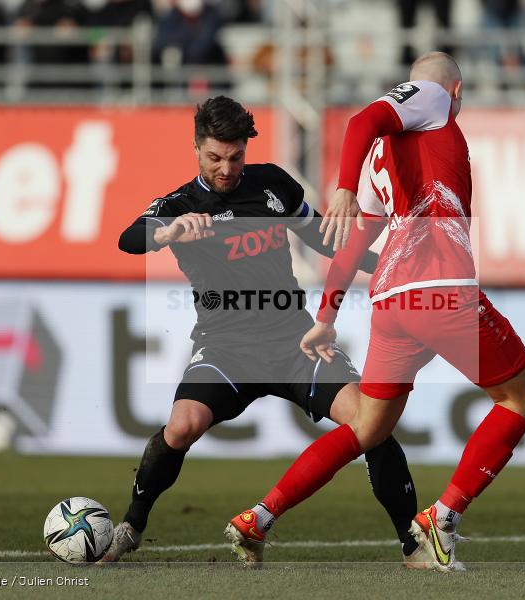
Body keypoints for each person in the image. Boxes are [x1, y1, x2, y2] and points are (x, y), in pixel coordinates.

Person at [226, 53, 525, 572]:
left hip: (391, 301)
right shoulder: (433, 97)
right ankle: (441, 520)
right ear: (457, 90)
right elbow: (361, 118)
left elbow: (352, 247)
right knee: (522, 397)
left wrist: (326, 316)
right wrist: (344, 186)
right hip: (439, 288)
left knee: (366, 428)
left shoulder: (383, 156)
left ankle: (259, 517)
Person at [101, 96, 426, 567]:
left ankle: (412, 544)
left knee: (371, 425)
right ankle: (131, 527)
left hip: (294, 342)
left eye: (235, 157)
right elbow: (127, 238)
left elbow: (321, 237)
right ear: (196, 149)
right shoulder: (179, 205)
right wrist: (165, 234)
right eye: (215, 158)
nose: (227, 168)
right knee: (182, 426)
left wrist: (386, 267)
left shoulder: (273, 184)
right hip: (225, 349)